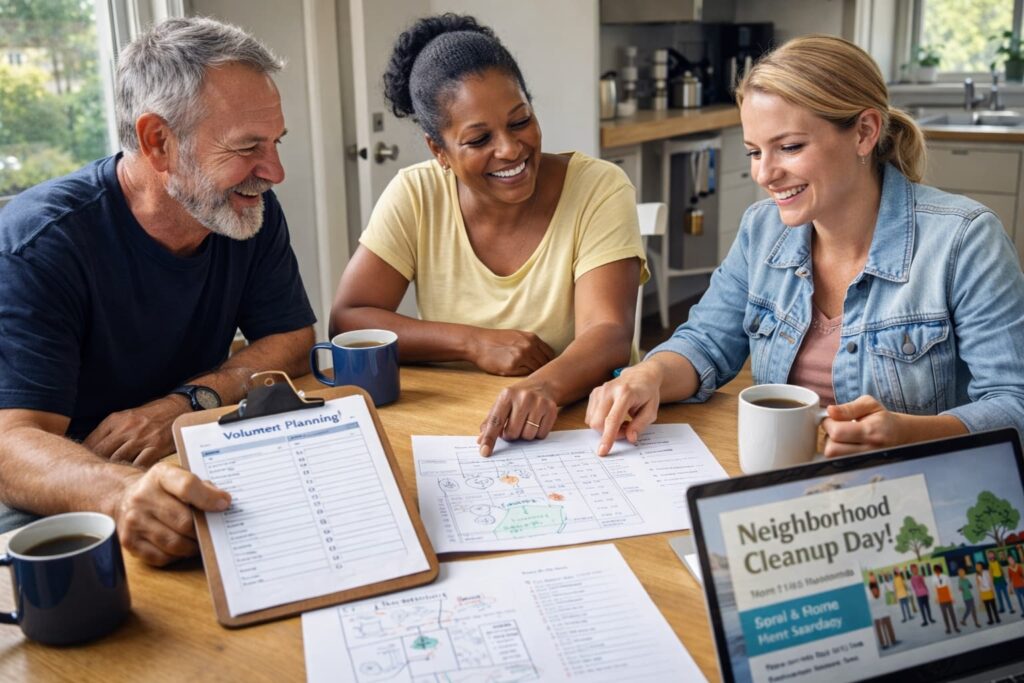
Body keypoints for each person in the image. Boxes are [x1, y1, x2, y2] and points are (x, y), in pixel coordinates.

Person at [585, 34, 1024, 457]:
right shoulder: (762, 230)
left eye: (790, 147)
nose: (765, 174)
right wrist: (649, 375)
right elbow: (706, 343)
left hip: (918, 494)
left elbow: (1013, 405)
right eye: (755, 152)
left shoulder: (965, 240)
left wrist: (909, 435)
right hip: (793, 485)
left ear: (864, 132)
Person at [0, 17, 316, 565]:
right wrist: (120, 492)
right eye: (247, 147)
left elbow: (292, 336)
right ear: (158, 142)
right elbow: (10, 447)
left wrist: (186, 403)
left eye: (275, 143)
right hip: (63, 489)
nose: (275, 171)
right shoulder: (42, 243)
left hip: (186, 452)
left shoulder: (245, 206)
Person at [329, 14, 646, 457]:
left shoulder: (599, 188)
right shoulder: (416, 193)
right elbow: (349, 318)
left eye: (520, 122)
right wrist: (472, 342)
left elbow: (609, 331)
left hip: (585, 429)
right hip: (459, 429)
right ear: (438, 150)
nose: (511, 149)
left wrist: (541, 387)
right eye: (479, 139)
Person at [933, 564, 960, 634]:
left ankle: (956, 627)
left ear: (940, 570)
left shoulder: (945, 577)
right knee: (944, 614)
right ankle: (948, 628)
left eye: (938, 570)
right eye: (935, 571)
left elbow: (950, 587)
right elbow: (935, 588)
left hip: (947, 597)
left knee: (952, 613)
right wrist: (936, 598)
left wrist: (952, 597)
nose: (937, 572)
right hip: (941, 598)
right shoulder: (933, 578)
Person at [989, 550, 1015, 614]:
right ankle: (1002, 608)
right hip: (996, 582)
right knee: (999, 596)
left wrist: (1004, 580)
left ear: (994, 555)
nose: (991, 556)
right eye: (989, 555)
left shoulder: (998, 562)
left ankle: (1011, 608)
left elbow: (1001, 571)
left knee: (1006, 595)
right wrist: (992, 583)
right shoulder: (989, 564)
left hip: (1002, 580)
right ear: (988, 556)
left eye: (992, 554)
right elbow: (991, 574)